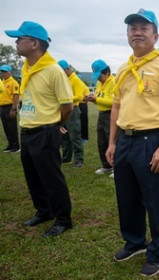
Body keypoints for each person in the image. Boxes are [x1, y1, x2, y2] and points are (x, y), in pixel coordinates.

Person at [105, 9, 159, 277]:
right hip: (125, 140)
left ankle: (158, 251)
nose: (136, 32)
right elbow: (117, 105)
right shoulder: (124, 68)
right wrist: (112, 142)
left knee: (155, 200)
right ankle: (135, 242)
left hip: (152, 140)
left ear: (155, 35)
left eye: (143, 28)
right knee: (126, 197)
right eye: (132, 28)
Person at [5, 21, 73, 236]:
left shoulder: (54, 71)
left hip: (45, 131)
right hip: (27, 131)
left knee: (51, 178)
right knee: (33, 176)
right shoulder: (27, 69)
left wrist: (56, 126)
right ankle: (44, 211)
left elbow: (68, 106)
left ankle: (63, 219)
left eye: (20, 38)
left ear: (34, 43)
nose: (16, 42)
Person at [85, 59, 114, 176]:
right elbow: (99, 99)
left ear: (106, 72)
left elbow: (114, 102)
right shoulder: (99, 83)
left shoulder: (114, 82)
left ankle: (117, 166)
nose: (98, 78)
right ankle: (106, 165)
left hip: (111, 114)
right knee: (101, 141)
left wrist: (96, 99)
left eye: (99, 75)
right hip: (101, 114)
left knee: (112, 141)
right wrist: (92, 98)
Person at [58, 60, 87, 168]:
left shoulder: (75, 80)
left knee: (75, 135)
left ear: (67, 69)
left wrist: (66, 99)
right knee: (64, 135)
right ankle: (66, 158)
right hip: (63, 109)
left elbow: (79, 96)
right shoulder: (64, 80)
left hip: (73, 110)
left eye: (62, 71)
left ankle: (79, 159)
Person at [0, 64, 20, 153]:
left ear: (10, 72)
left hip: (10, 107)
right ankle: (10, 145)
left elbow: (16, 96)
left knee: (12, 127)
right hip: (2, 107)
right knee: (6, 127)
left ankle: (16, 146)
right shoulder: (2, 82)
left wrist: (13, 109)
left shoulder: (13, 82)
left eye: (5, 72)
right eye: (2, 72)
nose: (3, 73)